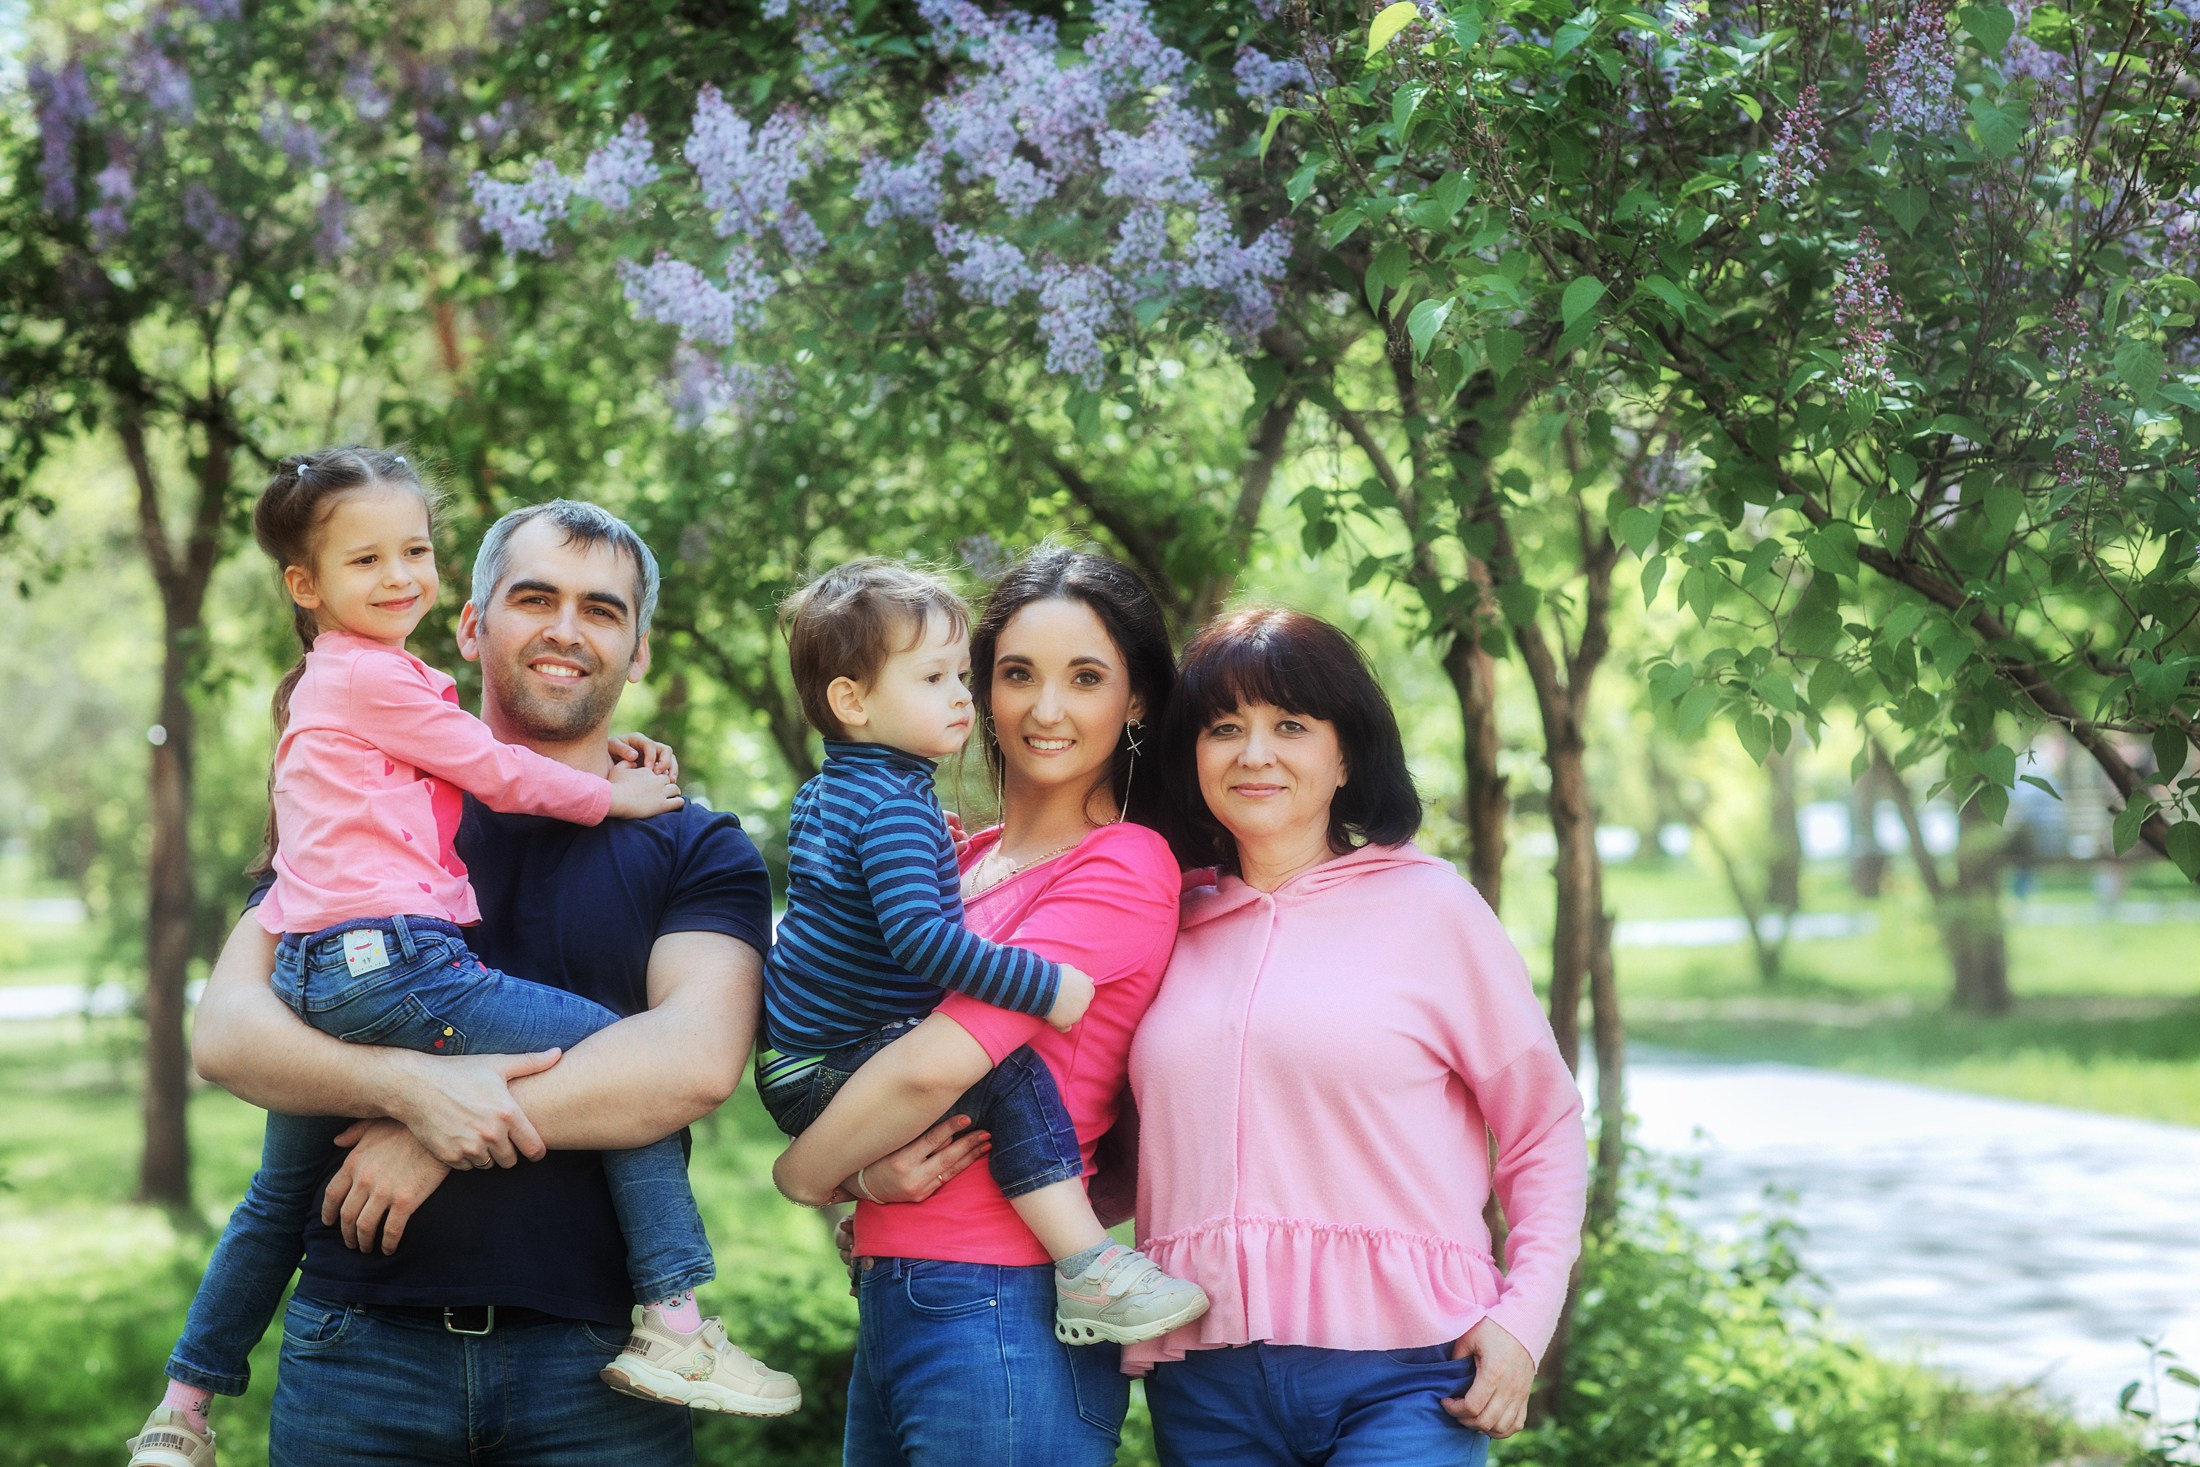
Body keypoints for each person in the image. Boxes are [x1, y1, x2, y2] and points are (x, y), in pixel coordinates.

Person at [184, 495, 779, 1466]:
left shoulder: (692, 845)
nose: (564, 628)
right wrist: (412, 1090)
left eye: (601, 609)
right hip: (358, 1355)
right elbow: (228, 1034)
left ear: (636, 651)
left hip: (600, 1365)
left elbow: (694, 1064)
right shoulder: (367, 809)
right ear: (469, 625)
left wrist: (443, 1135)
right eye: (534, 597)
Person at [1127, 608, 1589, 1467]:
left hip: (1412, 1372)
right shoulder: (1163, 919)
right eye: (1224, 727)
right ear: (1193, 757)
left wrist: (1524, 1318)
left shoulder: (1433, 908)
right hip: (1204, 1381)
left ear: (1345, 755)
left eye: (1291, 726)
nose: (1254, 753)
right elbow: (1124, 1139)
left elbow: (1543, 1129)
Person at [770, 546, 1182, 1466]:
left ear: (1137, 699)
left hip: (1006, 1302)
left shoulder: (1119, 863)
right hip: (898, 1284)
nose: (1045, 708)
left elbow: (932, 1062)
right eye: (1016, 674)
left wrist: (803, 1177)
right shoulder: (958, 857)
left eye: (1086, 677)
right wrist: (866, 1182)